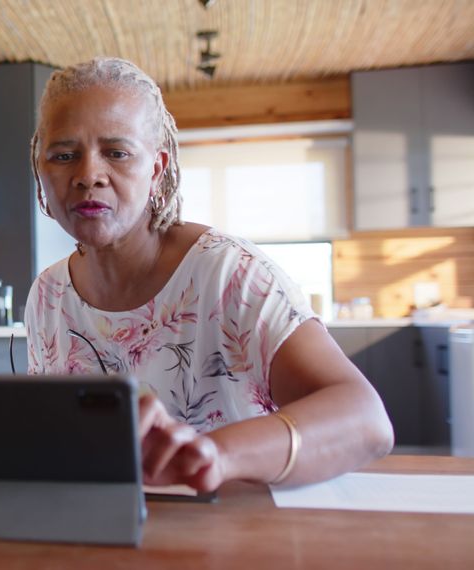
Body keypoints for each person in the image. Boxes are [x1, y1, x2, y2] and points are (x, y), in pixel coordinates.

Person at [25, 57, 393, 492]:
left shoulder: (229, 275)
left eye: (117, 153)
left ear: (157, 169)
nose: (88, 175)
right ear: (40, 168)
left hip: (234, 532)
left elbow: (367, 422)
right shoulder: (48, 295)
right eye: (64, 156)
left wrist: (217, 455)